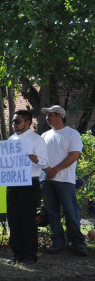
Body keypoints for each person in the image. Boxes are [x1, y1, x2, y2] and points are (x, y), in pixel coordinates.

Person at [40, 105, 88, 257]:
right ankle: (58, 242)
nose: (47, 118)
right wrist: (47, 171)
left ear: (59, 116)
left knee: (70, 212)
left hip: (65, 180)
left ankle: (78, 243)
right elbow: (39, 157)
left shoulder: (72, 134)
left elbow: (74, 156)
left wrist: (55, 170)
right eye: (46, 115)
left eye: (50, 115)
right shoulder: (44, 135)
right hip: (47, 180)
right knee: (52, 212)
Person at [6, 110, 48, 266]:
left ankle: (30, 255)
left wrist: (36, 159)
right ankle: (17, 254)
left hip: (29, 182)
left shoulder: (37, 139)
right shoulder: (11, 139)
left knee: (28, 220)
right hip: (12, 183)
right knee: (13, 219)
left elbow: (45, 162)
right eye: (13, 121)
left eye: (17, 121)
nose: (14, 124)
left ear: (28, 122)